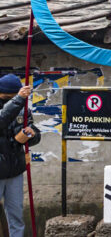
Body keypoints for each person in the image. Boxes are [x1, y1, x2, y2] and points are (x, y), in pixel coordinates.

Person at [0, 74, 40, 237]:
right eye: (6, 97)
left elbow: (35, 133)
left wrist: (29, 135)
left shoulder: (23, 109)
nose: (9, 100)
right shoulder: (17, 104)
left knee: (16, 217)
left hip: (15, 170)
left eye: (13, 96)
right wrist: (17, 100)